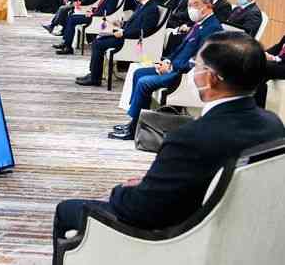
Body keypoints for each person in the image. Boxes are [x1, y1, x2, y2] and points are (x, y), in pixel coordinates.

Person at [53, 31, 285, 265]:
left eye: (197, 65)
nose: (193, 71)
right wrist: (157, 184)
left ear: (211, 78)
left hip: (183, 241)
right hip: (242, 234)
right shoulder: (273, 125)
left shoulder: (190, 138)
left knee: (67, 210)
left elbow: (141, 211)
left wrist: (122, 190)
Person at [110, 0, 224, 140]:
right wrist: (168, 60)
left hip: (182, 75)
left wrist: (172, 67)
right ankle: (135, 121)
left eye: (195, 4)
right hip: (174, 67)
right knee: (139, 73)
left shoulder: (212, 27)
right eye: (189, 5)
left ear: (208, 5)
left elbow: (200, 60)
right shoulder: (198, 24)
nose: (191, 9)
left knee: (144, 83)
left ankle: (133, 129)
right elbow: (181, 48)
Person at [75, 0, 160, 87]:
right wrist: (122, 25)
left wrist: (123, 33)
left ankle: (95, 78)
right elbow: (134, 24)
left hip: (131, 41)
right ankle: (94, 74)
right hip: (126, 35)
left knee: (98, 44)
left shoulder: (151, 8)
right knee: (98, 39)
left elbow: (144, 31)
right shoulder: (143, 5)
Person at [55, 0, 121, 55]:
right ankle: (66, 44)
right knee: (71, 17)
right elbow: (100, 6)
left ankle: (68, 47)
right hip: (94, 15)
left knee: (71, 19)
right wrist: (92, 11)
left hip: (98, 19)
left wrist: (93, 14)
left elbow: (108, 12)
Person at [255, 35, 285, 108]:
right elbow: (277, 47)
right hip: (278, 63)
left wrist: (273, 58)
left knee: (263, 66)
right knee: (254, 59)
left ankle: (258, 107)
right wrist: (262, 54)